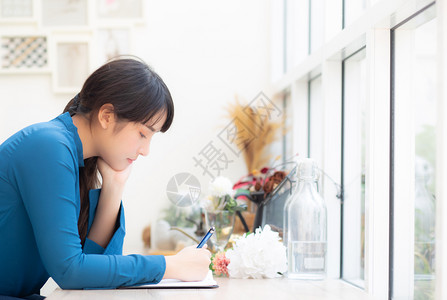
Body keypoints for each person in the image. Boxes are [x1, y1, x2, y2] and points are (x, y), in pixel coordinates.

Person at [0, 58, 211, 299]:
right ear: (107, 116)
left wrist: (114, 185)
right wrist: (171, 266)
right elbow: (71, 272)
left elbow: (92, 273)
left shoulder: (70, 155)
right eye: (143, 134)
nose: (146, 151)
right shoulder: (49, 147)